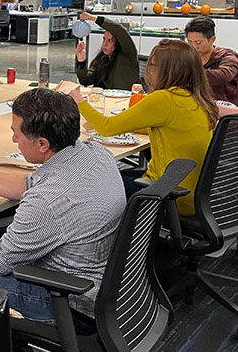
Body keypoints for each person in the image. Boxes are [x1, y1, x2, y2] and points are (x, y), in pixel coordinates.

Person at [0, 88, 125, 322]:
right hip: (108, 287)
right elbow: (30, 183)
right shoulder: (95, 153)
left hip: (71, 304)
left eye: (17, 133)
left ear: (43, 144)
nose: (14, 139)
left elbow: (0, 259)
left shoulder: (47, 201)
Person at [71, 39, 217, 216]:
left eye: (153, 65)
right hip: (191, 194)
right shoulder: (196, 98)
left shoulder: (164, 99)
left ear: (168, 70)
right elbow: (164, 129)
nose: (149, 69)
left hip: (164, 194)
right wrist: (130, 125)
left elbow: (106, 128)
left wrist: (80, 102)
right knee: (112, 177)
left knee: (92, 185)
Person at [75, 12, 140, 90]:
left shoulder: (127, 55)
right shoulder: (102, 59)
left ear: (118, 43)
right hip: (102, 98)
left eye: (109, 41)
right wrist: (81, 61)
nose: (104, 44)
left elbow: (120, 31)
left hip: (123, 99)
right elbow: (86, 81)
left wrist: (93, 18)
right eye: (104, 39)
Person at [185, 16, 238, 105]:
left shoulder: (227, 56)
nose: (194, 47)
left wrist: (189, 74)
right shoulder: (187, 56)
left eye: (198, 43)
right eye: (190, 42)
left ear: (212, 39)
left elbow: (224, 75)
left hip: (225, 111)